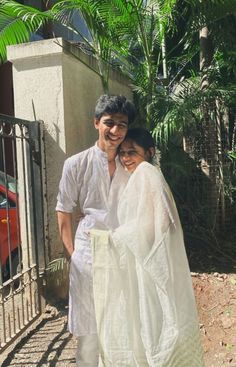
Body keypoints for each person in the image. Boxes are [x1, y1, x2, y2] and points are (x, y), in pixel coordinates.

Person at [91, 128, 205, 366]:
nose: (126, 158)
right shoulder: (137, 175)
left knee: (153, 322)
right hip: (142, 260)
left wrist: (120, 237)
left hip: (148, 262)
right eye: (122, 152)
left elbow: (163, 221)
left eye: (132, 152)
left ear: (150, 152)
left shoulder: (146, 172)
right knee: (149, 320)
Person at [55, 95, 136, 367]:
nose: (115, 131)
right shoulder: (76, 164)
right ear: (96, 123)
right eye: (109, 123)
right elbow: (64, 209)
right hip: (88, 253)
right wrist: (73, 253)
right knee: (89, 327)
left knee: (124, 318)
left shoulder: (133, 165)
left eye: (122, 125)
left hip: (124, 252)